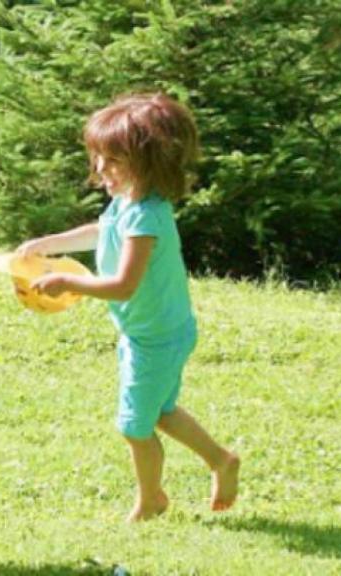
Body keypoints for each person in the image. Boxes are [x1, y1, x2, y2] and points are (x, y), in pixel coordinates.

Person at [17, 93, 239, 522]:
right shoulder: (128, 203)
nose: (100, 170)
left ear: (149, 162)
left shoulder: (147, 218)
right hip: (154, 331)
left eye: (112, 161)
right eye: (98, 158)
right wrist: (48, 244)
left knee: (134, 426)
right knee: (160, 412)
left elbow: (123, 285)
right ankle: (220, 460)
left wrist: (67, 281)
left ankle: (152, 499)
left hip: (155, 338)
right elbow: (101, 232)